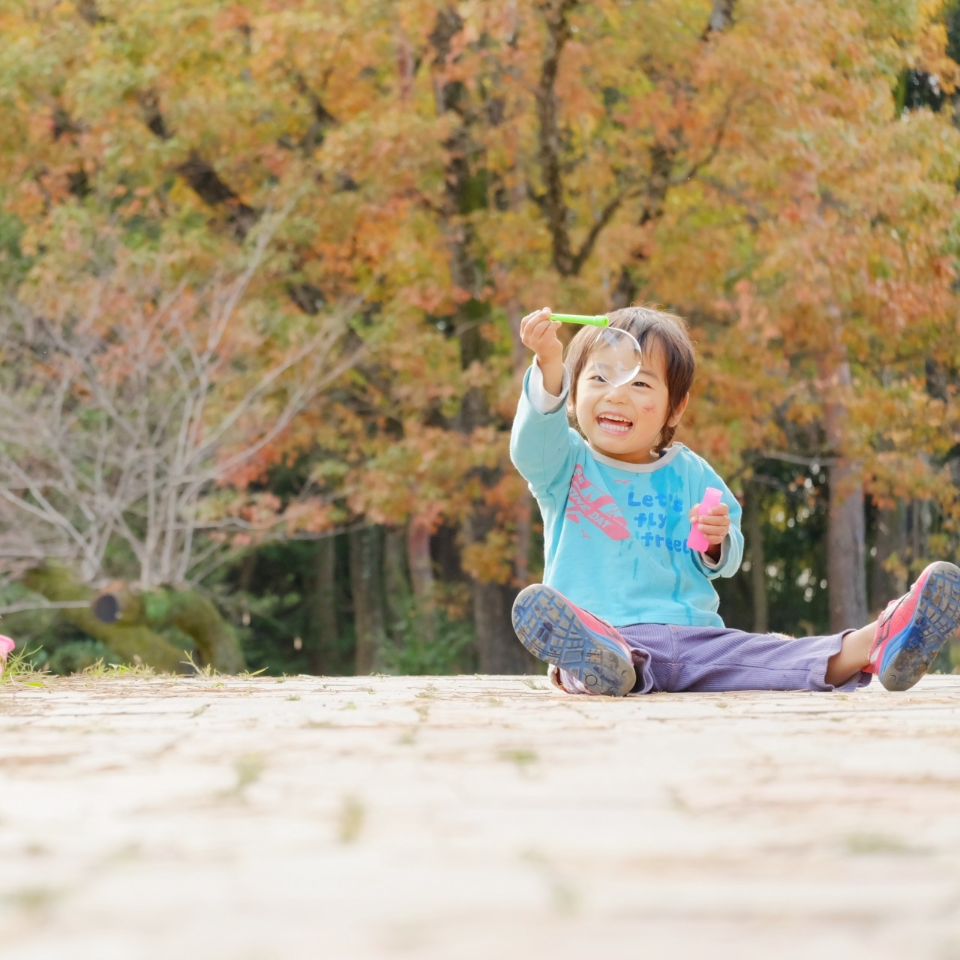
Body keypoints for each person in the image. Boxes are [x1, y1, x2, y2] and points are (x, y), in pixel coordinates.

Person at [509, 305, 960, 696]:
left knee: (776, 654)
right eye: (599, 377)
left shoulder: (692, 473)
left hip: (697, 638)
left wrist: (715, 541)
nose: (616, 392)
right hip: (605, 631)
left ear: (676, 407)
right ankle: (595, 667)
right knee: (595, 654)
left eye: (641, 384)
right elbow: (531, 444)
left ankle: (881, 640)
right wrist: (549, 366)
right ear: (573, 393)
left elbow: (724, 559)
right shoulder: (565, 465)